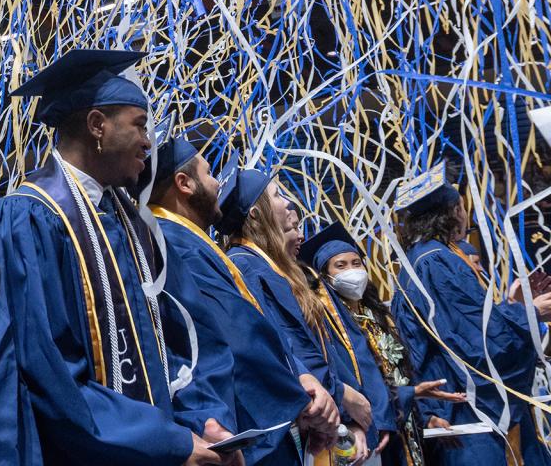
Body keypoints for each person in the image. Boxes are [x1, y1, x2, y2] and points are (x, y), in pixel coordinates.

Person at [0, 49, 237, 466]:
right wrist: (163, 442)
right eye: (139, 124)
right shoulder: (31, 218)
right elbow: (49, 370)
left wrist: (205, 420)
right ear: (96, 125)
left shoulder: (133, 222)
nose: (148, 142)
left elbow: (186, 335)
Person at [147, 139, 339, 465]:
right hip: (240, 422)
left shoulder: (189, 240)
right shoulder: (173, 243)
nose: (217, 184)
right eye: (209, 173)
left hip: (261, 411)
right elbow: (237, 334)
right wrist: (300, 399)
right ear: (184, 183)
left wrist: (301, 377)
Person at [391, 163, 551, 466]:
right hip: (466, 407)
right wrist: (531, 314)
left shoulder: (420, 260)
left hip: (449, 402)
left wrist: (515, 306)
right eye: (463, 207)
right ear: (453, 212)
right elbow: (477, 339)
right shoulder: (436, 262)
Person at [218, 168, 377, 463]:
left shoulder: (266, 266)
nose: (288, 204)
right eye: (277, 196)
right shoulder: (247, 268)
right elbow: (290, 345)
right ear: (256, 213)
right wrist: (340, 394)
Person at [300, 222, 467, 466]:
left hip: (401, 426)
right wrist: (409, 395)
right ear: (325, 276)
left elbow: (396, 376)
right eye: (341, 265)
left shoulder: (379, 316)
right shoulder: (327, 326)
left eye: (356, 263)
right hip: (369, 428)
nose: (352, 271)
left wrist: (422, 409)